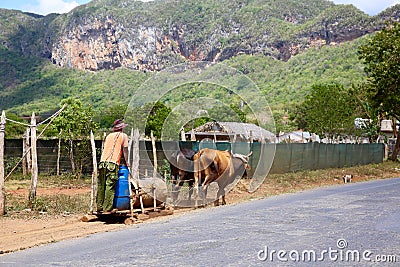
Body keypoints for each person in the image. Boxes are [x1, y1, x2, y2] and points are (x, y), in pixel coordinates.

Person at [96, 119, 130, 213]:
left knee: (101, 185)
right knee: (110, 186)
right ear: (122, 128)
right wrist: (127, 163)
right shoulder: (123, 136)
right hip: (113, 163)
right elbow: (125, 150)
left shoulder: (108, 136)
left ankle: (99, 207)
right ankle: (107, 208)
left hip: (102, 163)